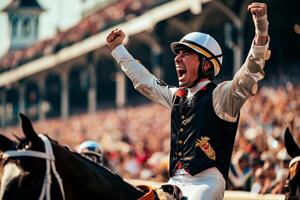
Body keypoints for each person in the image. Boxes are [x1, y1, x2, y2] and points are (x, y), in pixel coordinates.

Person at [106, 2, 270, 200]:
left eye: (186, 54)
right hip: (174, 182)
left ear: (207, 64)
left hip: (207, 183)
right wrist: (118, 50)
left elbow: (248, 75)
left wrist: (261, 31)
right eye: (177, 54)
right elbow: (145, 83)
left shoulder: (221, 95)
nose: (177, 59)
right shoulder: (177, 96)